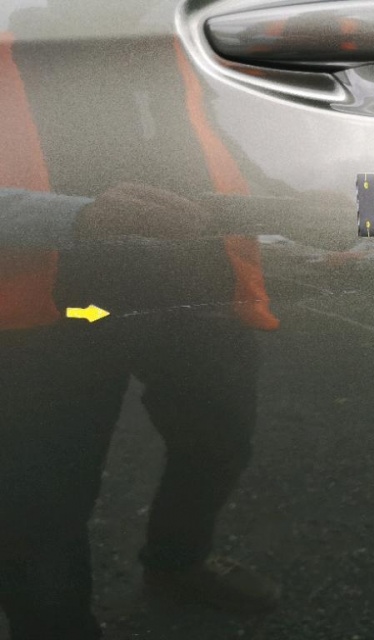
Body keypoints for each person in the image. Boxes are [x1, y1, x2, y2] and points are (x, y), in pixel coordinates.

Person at [0, 21, 281, 640]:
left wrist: (288, 200)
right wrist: (80, 217)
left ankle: (179, 561)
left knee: (218, 445)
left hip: (193, 293)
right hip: (54, 315)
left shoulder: (178, 39)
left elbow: (209, 136)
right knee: (42, 507)